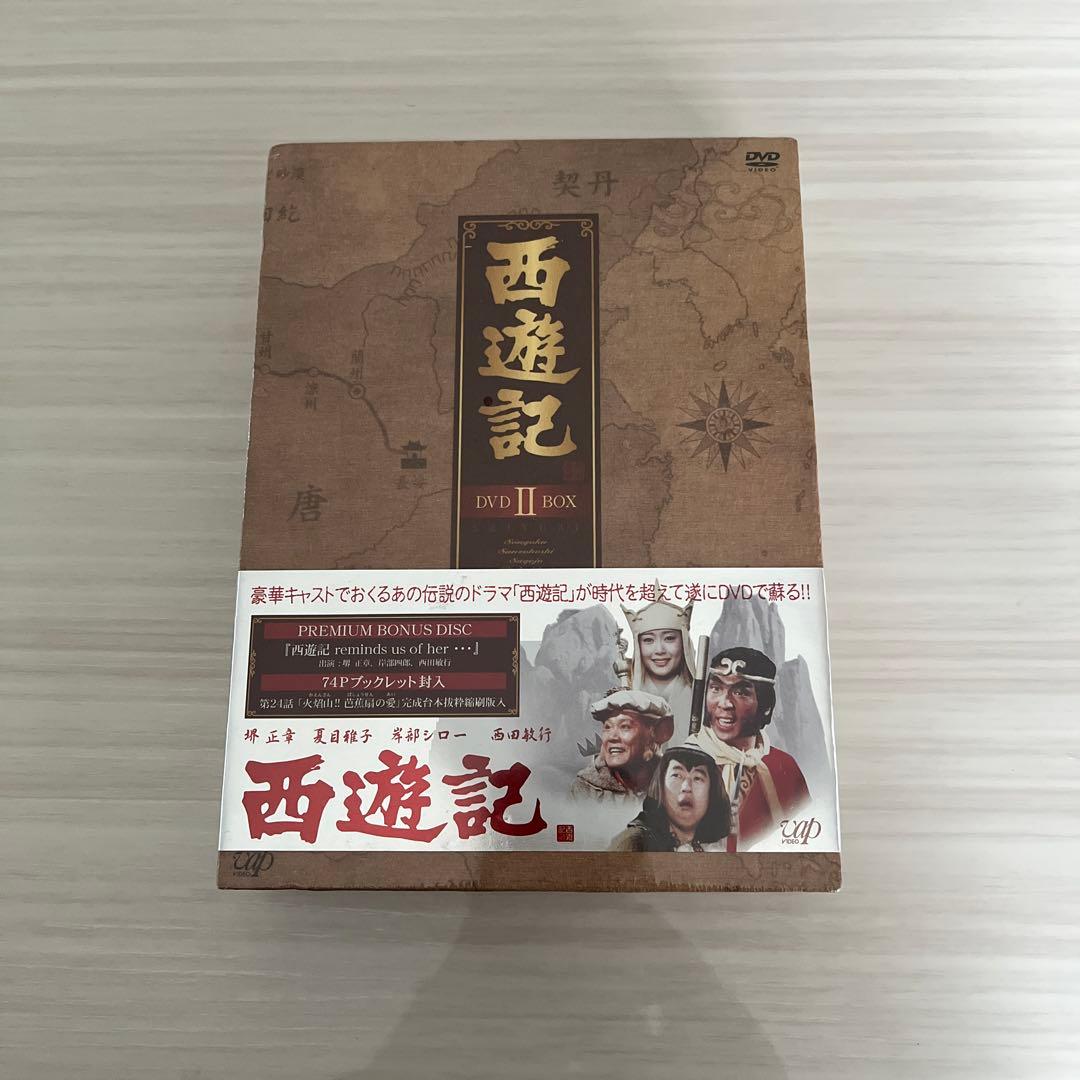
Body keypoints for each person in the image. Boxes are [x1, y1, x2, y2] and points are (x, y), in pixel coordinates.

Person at [686, 646, 809, 850]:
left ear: (766, 706)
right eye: (716, 689)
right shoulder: (680, 763)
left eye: (741, 692)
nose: (725, 703)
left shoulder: (783, 766)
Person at [609, 744, 730, 852]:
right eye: (677, 775)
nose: (686, 787)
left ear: (711, 793)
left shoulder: (712, 851)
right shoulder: (635, 844)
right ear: (661, 786)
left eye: (697, 778)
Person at [571, 689, 674, 803]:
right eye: (607, 727)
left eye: (625, 727)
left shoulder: (676, 784)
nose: (612, 737)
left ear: (652, 734)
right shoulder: (587, 789)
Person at [619, 590, 696, 739]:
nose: (659, 650)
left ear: (684, 643)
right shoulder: (624, 694)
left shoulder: (707, 698)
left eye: (669, 638)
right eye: (648, 640)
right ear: (638, 646)